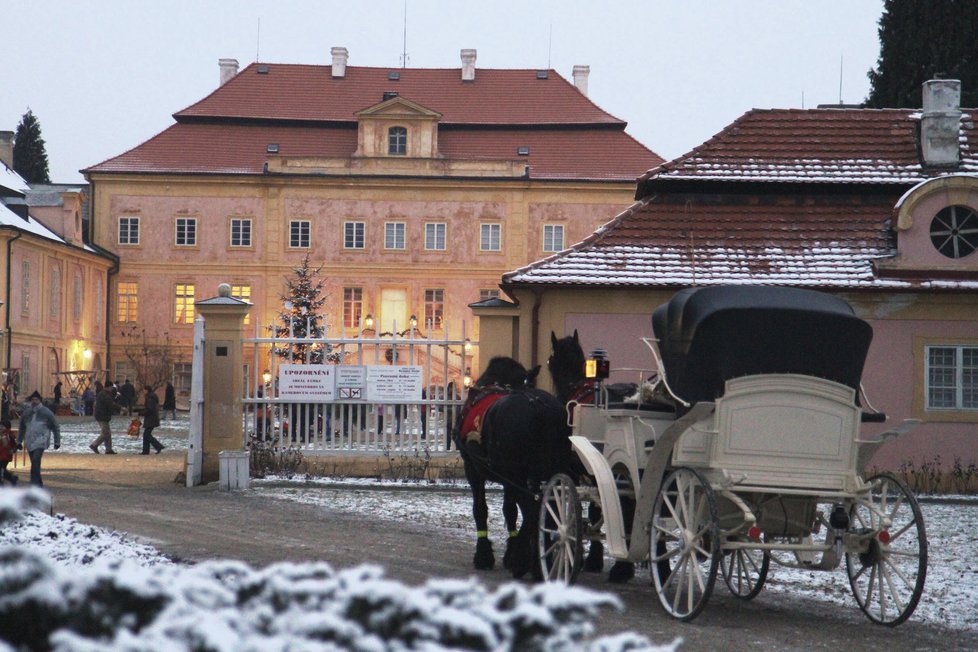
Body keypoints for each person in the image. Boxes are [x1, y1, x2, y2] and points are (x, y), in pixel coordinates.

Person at [16, 391, 61, 487]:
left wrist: (57, 441)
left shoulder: (47, 412)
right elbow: (22, 428)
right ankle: (38, 482)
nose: (34, 401)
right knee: (34, 462)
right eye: (32, 399)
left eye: (36, 399)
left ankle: (34, 483)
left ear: (40, 400)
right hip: (29, 440)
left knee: (36, 460)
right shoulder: (27, 413)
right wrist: (19, 441)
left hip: (42, 439)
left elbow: (55, 427)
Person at [90, 381, 118, 454]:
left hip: (102, 415)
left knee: (107, 433)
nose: (112, 389)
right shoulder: (104, 394)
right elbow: (110, 404)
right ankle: (94, 445)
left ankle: (108, 449)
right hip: (102, 416)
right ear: (108, 387)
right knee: (106, 433)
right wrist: (121, 408)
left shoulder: (104, 393)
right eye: (111, 387)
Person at [139, 386, 165, 455]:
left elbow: (150, 409)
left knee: (146, 435)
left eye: (144, 390)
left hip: (151, 419)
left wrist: (141, 413)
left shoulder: (150, 398)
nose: (143, 392)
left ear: (147, 390)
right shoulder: (151, 397)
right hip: (152, 418)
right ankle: (146, 451)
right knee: (146, 435)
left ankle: (158, 446)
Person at [0, 419, 18, 485]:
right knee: (2, 469)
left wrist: (13, 450)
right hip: (2, 455)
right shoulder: (3, 434)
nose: (1, 427)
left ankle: (3, 481)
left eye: (2, 426)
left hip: (5, 455)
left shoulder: (7, 434)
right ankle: (12, 478)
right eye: (0, 426)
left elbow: (13, 444)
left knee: (1, 469)